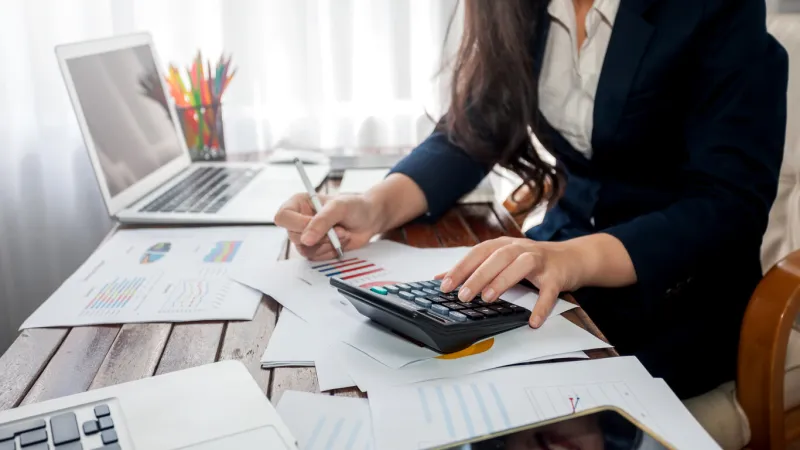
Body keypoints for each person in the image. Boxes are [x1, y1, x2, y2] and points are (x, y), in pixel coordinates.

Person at [275, 0, 788, 400]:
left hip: (677, 295)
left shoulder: (716, 8)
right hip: (559, 268)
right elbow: (470, 133)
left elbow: (728, 205)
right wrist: (372, 207)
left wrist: (573, 258)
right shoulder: (524, 8)